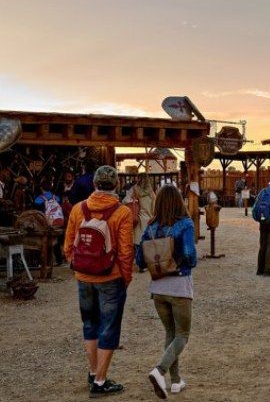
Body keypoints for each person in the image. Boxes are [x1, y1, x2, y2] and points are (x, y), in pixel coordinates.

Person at [63, 165, 134, 397]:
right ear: (116, 185)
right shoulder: (121, 212)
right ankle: (101, 381)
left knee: (89, 324)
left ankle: (93, 372)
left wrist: (79, 266)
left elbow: (68, 245)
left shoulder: (77, 209)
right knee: (109, 327)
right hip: (110, 277)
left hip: (83, 277)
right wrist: (126, 276)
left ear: (94, 184)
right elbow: (125, 251)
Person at [134, 185, 197, 398]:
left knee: (170, 333)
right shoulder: (185, 224)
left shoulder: (150, 227)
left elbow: (140, 260)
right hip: (179, 286)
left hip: (158, 288)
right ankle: (159, 371)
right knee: (182, 334)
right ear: (179, 201)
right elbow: (190, 255)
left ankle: (176, 381)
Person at [127, 174, 156, 245]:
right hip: (150, 222)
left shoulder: (134, 189)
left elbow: (125, 200)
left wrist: (134, 201)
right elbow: (155, 208)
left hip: (139, 221)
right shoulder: (151, 193)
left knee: (138, 244)